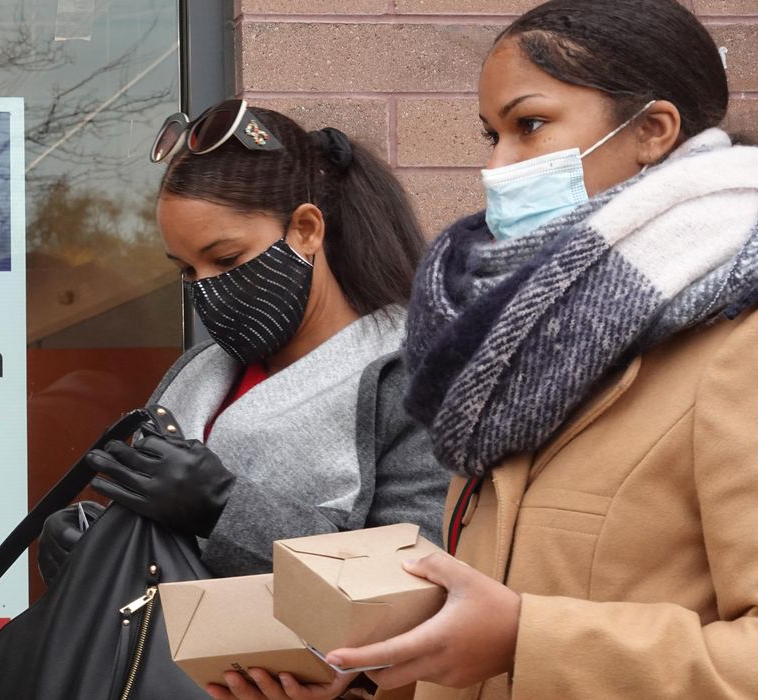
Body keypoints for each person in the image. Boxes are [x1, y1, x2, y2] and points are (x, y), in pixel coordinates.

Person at [216, 1, 758, 699]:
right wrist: (359, 682)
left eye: (528, 125)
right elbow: (481, 637)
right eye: (490, 135)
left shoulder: (736, 344)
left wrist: (523, 639)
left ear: (651, 130)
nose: (498, 166)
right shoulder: (511, 352)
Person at [37, 101, 451, 698]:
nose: (206, 287)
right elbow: (155, 556)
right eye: (185, 269)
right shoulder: (198, 376)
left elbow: (419, 581)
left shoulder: (405, 374)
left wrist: (224, 508)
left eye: (226, 259)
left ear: (306, 231)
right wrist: (92, 547)